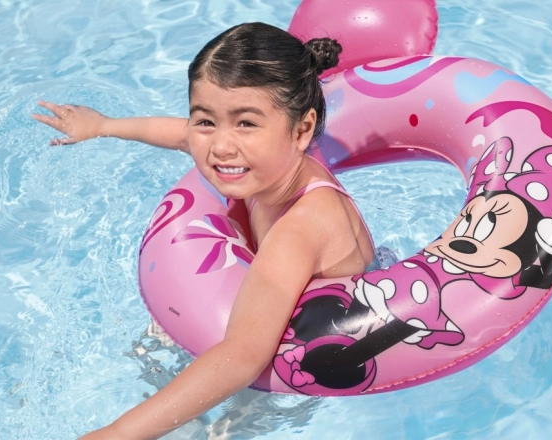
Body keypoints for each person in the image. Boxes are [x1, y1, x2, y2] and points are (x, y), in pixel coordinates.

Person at [32, 22, 375, 439]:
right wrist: (103, 126)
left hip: (297, 369)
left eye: (245, 124)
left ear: (301, 130)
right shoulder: (266, 166)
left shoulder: (301, 226)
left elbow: (243, 357)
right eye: (207, 121)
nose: (221, 147)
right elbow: (182, 134)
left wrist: (114, 434)